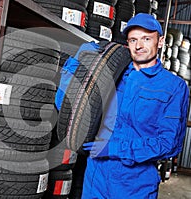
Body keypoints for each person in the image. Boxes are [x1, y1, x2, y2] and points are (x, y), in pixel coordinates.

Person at [81, 13, 189, 199]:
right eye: (133, 40)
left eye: (146, 39)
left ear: (160, 41)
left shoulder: (174, 87)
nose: (139, 46)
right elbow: (72, 109)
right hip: (95, 176)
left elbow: (169, 144)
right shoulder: (112, 74)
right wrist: (78, 62)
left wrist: (114, 149)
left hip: (134, 183)